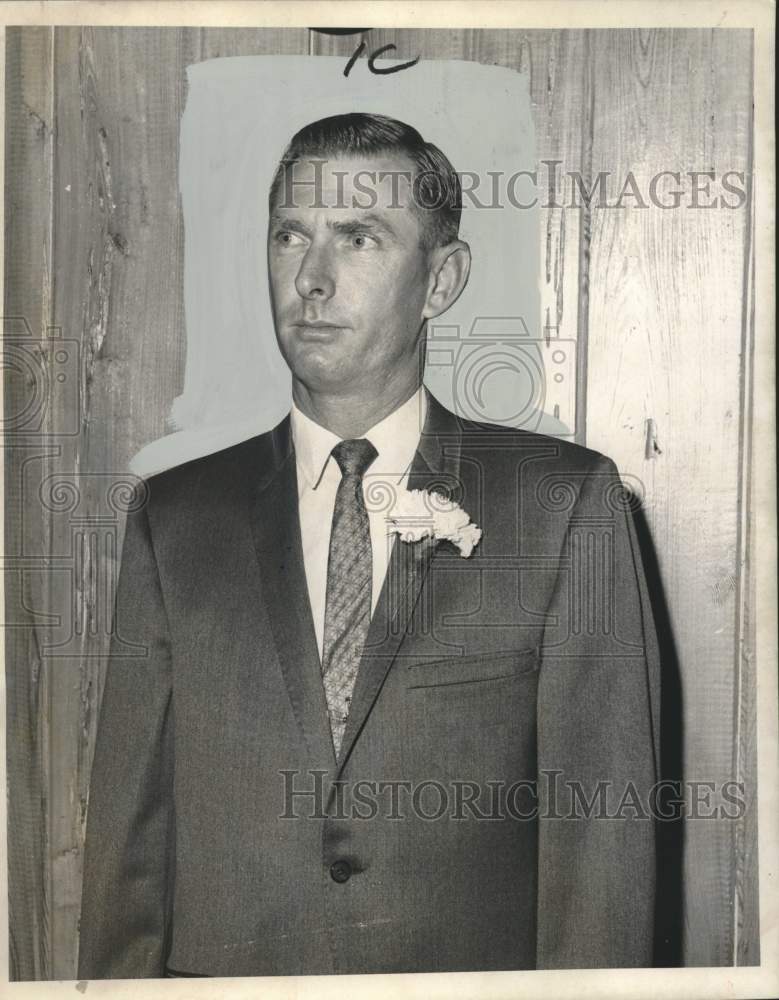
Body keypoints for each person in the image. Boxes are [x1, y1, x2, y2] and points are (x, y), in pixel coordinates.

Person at [77, 113, 661, 978]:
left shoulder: (563, 504)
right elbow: (129, 842)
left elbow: (601, 845)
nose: (312, 279)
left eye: (359, 238)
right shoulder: (175, 517)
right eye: (291, 235)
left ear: (441, 279)